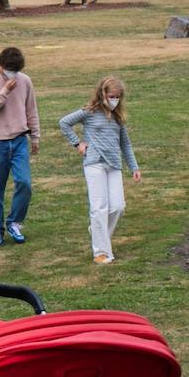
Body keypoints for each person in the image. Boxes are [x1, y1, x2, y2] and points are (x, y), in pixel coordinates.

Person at [59, 76, 140, 264]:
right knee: (99, 208)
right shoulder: (89, 112)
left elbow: (125, 144)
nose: (115, 100)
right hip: (94, 163)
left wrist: (134, 167)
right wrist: (77, 143)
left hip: (114, 165)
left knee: (118, 206)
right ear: (103, 93)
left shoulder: (119, 118)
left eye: (118, 97)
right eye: (112, 96)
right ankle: (101, 253)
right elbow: (64, 123)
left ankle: (97, 231)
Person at [0, 46, 40, 247]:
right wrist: (4, 91)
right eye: (9, 69)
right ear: (1, 65)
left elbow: (31, 109)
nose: (12, 73)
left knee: (25, 183)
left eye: (16, 70)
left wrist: (35, 136)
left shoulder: (26, 80)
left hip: (20, 139)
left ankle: (15, 221)